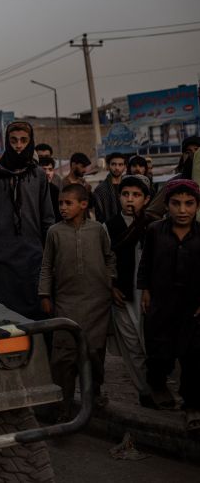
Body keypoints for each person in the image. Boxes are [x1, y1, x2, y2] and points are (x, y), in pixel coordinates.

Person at [39, 183, 115, 419]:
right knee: (64, 356)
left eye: (68, 203)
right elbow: (47, 266)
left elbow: (109, 258)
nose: (62, 207)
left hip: (97, 303)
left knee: (94, 352)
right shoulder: (54, 232)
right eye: (60, 203)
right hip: (66, 301)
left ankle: (93, 397)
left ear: (83, 205)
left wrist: (110, 283)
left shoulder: (98, 230)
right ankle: (63, 406)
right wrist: (44, 294)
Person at [137, 179, 200, 429]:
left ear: (196, 206)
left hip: (192, 307)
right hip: (161, 303)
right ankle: (158, 385)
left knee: (194, 357)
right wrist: (145, 290)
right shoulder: (154, 230)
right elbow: (146, 262)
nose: (182, 210)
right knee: (159, 351)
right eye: (176, 203)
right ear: (167, 205)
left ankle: (193, 405)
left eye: (189, 204)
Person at [0, 121, 55, 319]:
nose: (19, 145)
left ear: (30, 142)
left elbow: (47, 218)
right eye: (13, 141)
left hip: (33, 258)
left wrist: (52, 254)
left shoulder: (38, 175)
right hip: (0, 259)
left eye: (23, 140)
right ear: (7, 142)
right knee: (2, 317)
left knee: (36, 318)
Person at [105, 175, 154, 407]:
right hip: (123, 296)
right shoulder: (109, 227)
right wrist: (111, 287)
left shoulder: (154, 225)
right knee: (132, 347)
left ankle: (158, 386)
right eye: (125, 195)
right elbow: (104, 261)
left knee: (151, 344)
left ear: (146, 199)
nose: (130, 200)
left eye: (136, 195)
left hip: (150, 296)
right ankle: (145, 392)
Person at [93, 152, 126, 223]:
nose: (117, 168)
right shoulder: (100, 189)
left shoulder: (128, 186)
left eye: (120, 165)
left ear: (124, 167)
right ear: (108, 166)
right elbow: (99, 216)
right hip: (108, 228)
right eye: (113, 164)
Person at [39, 156, 61, 220]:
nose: (48, 173)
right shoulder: (32, 190)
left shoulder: (55, 190)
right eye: (44, 169)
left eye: (50, 169)